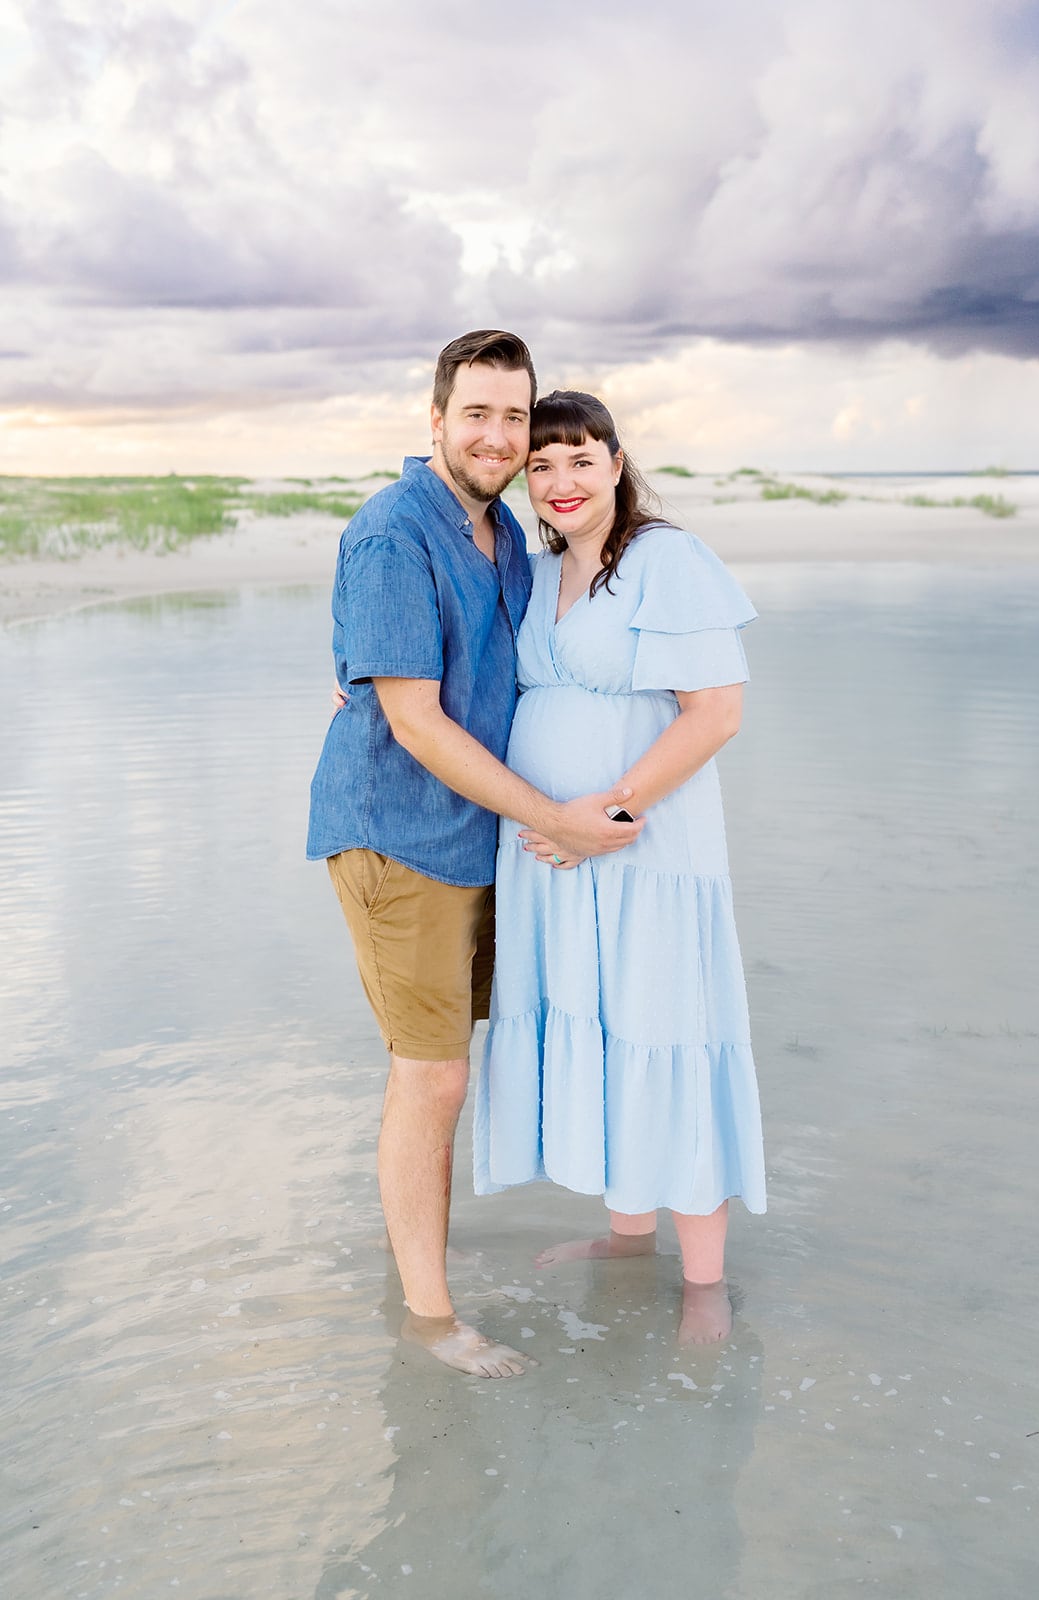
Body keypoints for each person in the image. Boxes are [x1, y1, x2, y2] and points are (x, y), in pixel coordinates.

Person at [307, 335, 643, 1379]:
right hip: (398, 834)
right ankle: (427, 1317)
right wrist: (560, 816)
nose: (498, 437)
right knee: (432, 1077)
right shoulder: (392, 532)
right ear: (436, 420)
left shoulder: (504, 533)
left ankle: (415, 1252)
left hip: (479, 836)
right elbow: (414, 724)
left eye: (514, 417)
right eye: (477, 415)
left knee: (462, 1061)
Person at [473, 390, 766, 1344]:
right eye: (541, 465)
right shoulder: (546, 569)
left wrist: (607, 813)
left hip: (642, 852)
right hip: (558, 858)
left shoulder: (664, 560)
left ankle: (705, 1290)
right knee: (606, 1026)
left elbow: (713, 714)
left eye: (578, 460)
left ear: (614, 461)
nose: (559, 482)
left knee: (667, 1028)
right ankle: (630, 1239)